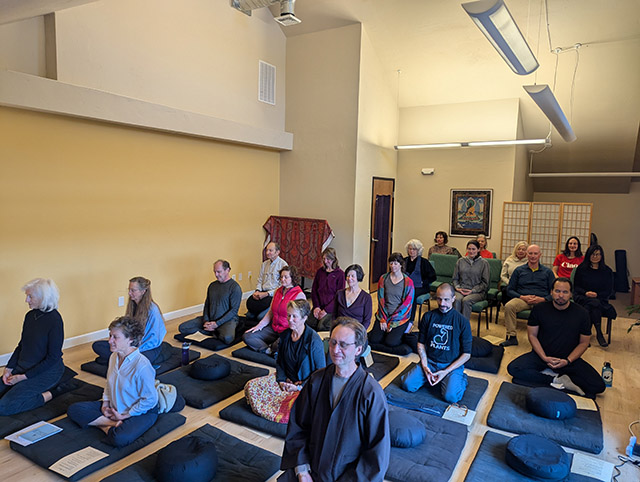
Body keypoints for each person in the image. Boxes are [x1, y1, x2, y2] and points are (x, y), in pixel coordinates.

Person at [279, 317, 390, 481]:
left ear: (358, 350)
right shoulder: (316, 380)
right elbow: (298, 426)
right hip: (310, 470)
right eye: (332, 342)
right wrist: (302, 471)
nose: (336, 350)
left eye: (344, 345)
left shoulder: (370, 392)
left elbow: (376, 453)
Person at [507, 278, 606, 399]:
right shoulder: (540, 309)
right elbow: (532, 335)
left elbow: (584, 343)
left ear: (571, 294)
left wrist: (568, 361)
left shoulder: (582, 313)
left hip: (568, 358)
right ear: (551, 292)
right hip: (542, 355)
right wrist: (543, 357)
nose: (560, 295)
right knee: (513, 368)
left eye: (565, 292)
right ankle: (556, 379)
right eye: (557, 291)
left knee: (598, 386)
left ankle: (555, 377)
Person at [68, 316, 159, 447]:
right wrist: (105, 404)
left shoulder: (142, 366)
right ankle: (111, 425)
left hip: (140, 412)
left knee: (120, 438)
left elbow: (150, 400)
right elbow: (109, 384)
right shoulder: (113, 357)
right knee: (74, 410)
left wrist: (126, 415)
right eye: (110, 335)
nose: (110, 341)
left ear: (131, 339)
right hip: (116, 407)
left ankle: (106, 425)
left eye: (115, 337)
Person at [244, 300, 325, 424]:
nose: (290, 319)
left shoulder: (313, 340)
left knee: (299, 405)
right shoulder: (285, 335)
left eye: (294, 316)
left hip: (304, 385)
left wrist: (299, 386)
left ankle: (283, 407)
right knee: (251, 386)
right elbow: (280, 361)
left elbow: (320, 373)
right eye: (288, 315)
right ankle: (280, 406)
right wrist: (281, 380)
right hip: (286, 381)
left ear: (304, 318)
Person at [0, 279, 64, 416]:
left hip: (46, 371)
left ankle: (51, 393)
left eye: (30, 296)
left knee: (4, 407)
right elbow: (22, 344)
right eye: (26, 296)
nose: (26, 300)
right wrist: (9, 368)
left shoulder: (55, 320)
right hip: (24, 366)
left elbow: (53, 357)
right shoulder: (30, 316)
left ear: (43, 298)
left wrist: (23, 377)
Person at [400, 284, 472, 403]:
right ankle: (432, 377)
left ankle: (461, 378)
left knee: (451, 397)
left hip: (451, 365)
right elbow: (421, 344)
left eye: (446, 299)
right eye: (439, 299)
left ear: (453, 299)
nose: (442, 303)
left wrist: (446, 371)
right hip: (430, 363)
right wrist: (425, 366)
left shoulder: (462, 321)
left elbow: (467, 354)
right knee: (407, 385)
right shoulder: (428, 316)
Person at [93, 276, 166, 365]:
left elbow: (154, 339)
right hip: (132, 344)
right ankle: (118, 359)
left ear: (143, 291)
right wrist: (125, 345)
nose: (129, 293)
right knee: (97, 346)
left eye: (133, 290)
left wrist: (133, 350)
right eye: (129, 290)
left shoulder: (152, 310)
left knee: (136, 361)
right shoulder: (133, 305)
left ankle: (115, 359)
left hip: (147, 348)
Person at [501, 244, 555, 347]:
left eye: (535, 253)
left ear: (540, 255)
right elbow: (510, 290)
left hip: (541, 300)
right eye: (530, 253)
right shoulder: (519, 270)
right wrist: (522, 297)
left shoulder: (547, 272)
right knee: (509, 306)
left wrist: (543, 299)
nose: (533, 256)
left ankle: (545, 339)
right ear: (527, 254)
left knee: (548, 310)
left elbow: (554, 292)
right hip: (523, 299)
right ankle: (512, 337)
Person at [243, 265, 305, 353]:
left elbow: (300, 320)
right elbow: (270, 312)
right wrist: (259, 326)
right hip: (273, 328)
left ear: (292, 278)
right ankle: (268, 350)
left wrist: (293, 333)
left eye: (286, 277)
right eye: (281, 277)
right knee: (247, 336)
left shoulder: (299, 295)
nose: (282, 279)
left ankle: (274, 348)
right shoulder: (277, 291)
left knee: (278, 345)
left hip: (287, 330)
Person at [178, 260, 242, 344]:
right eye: (214, 272)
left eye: (219, 272)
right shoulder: (212, 285)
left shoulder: (235, 287)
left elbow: (234, 311)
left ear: (227, 270)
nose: (216, 275)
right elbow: (207, 305)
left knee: (227, 338)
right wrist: (206, 321)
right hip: (210, 319)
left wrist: (217, 324)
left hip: (226, 321)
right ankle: (211, 330)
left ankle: (212, 331)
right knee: (182, 328)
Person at [368, 252, 415, 349]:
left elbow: (407, 305)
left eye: (396, 263)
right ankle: (385, 332)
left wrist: (392, 322)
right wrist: (383, 319)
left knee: (391, 343)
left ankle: (405, 329)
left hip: (399, 317)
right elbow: (380, 300)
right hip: (384, 314)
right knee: (374, 340)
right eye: (391, 263)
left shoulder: (408, 282)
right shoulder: (383, 278)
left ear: (401, 265)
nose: (393, 266)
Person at [573, 244, 616, 347]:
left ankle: (585, 334)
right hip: (582, 297)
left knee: (593, 305)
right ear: (588, 255)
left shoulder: (607, 271)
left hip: (600, 298)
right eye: (592, 254)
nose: (595, 257)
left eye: (598, 254)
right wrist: (586, 293)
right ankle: (599, 334)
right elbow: (576, 287)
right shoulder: (581, 269)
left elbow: (609, 291)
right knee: (594, 304)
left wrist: (597, 295)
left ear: (602, 256)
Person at [246, 242, 287, 319]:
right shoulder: (264, 264)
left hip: (273, 296)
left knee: (260, 317)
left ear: (277, 252)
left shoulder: (283, 265)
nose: (267, 253)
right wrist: (257, 291)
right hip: (261, 293)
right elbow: (260, 279)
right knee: (249, 316)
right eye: (267, 250)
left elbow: (282, 287)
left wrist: (267, 294)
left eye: (270, 250)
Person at [307, 247, 345, 332]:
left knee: (322, 326)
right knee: (308, 323)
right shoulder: (320, 272)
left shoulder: (340, 274)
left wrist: (326, 310)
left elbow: (339, 296)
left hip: (331, 308)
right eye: (324, 259)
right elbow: (314, 291)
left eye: (328, 259)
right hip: (319, 306)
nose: (325, 261)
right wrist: (316, 307)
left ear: (333, 259)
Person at [452, 240, 490, 319]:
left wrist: (473, 290)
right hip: (461, 289)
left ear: (478, 249)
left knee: (466, 300)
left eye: (473, 249)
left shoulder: (484, 263)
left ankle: (464, 327)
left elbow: (485, 283)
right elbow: (455, 278)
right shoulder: (460, 261)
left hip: (477, 292)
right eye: (469, 249)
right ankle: (455, 325)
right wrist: (457, 288)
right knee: (457, 299)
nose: (471, 251)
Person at [404, 239, 437, 322]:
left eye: (414, 249)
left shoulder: (424, 262)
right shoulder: (404, 261)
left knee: (412, 294)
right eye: (410, 249)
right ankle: (399, 318)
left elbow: (433, 277)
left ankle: (410, 320)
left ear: (419, 250)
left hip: (421, 287)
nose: (411, 251)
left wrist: (423, 282)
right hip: (406, 286)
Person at [333, 264, 373, 329]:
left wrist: (359, 333)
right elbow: (334, 315)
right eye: (348, 276)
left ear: (358, 277)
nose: (349, 278)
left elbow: (367, 321)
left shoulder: (366, 297)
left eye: (352, 276)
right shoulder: (339, 293)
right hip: (340, 329)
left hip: (356, 331)